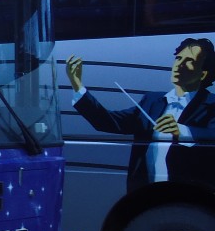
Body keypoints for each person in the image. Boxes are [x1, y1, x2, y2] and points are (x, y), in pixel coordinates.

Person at [66, 38, 215, 191]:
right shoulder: (152, 101)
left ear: (203, 74)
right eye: (178, 58)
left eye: (189, 61)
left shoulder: (211, 104)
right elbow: (108, 122)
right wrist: (78, 86)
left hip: (190, 195)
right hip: (144, 195)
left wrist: (181, 131)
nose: (179, 65)